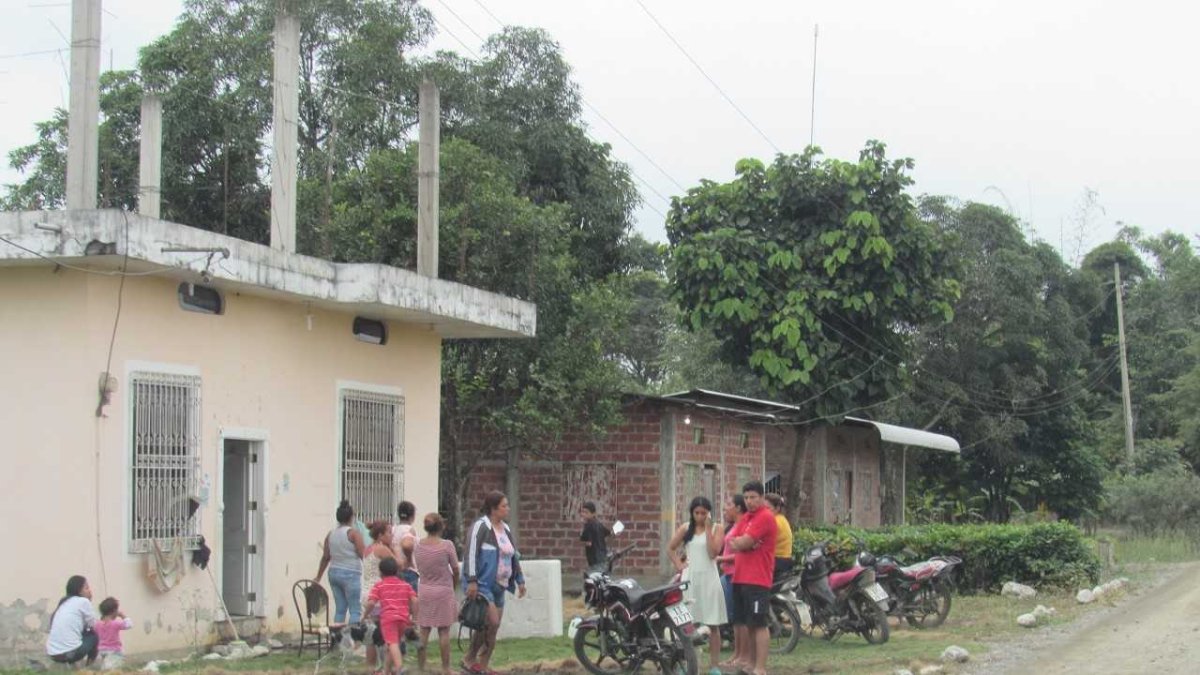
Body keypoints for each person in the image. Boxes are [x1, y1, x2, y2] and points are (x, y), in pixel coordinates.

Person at [463, 491, 526, 675]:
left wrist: (520, 580)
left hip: (501, 584)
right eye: (504, 506)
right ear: (493, 508)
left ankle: (483, 664)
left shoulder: (505, 529)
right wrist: (472, 580)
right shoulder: (481, 527)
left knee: (493, 627)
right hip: (483, 583)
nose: (508, 509)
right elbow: (470, 554)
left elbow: (514, 556)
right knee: (491, 620)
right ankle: (469, 658)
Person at [668, 497, 727, 675]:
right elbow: (670, 548)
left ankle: (714, 666)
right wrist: (679, 565)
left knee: (713, 624)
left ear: (709, 513)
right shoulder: (686, 528)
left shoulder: (717, 528)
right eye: (697, 513)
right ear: (692, 513)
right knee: (688, 624)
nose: (700, 516)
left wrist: (708, 529)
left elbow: (713, 553)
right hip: (690, 578)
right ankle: (688, 663)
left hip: (709, 578)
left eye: (703, 513)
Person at [729, 481, 778, 675]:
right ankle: (749, 663)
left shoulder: (765, 517)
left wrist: (745, 543)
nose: (749, 501)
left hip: (757, 579)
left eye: (753, 497)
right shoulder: (746, 517)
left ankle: (760, 667)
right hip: (740, 577)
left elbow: (744, 542)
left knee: (758, 623)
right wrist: (744, 543)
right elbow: (734, 541)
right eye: (747, 497)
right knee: (747, 623)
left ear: (762, 497)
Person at [413, 512, 460, 675]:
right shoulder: (447, 546)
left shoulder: (418, 545)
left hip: (425, 589)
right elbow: (455, 569)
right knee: (444, 631)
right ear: (441, 526)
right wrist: (453, 586)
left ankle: (420, 667)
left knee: (424, 630)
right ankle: (446, 668)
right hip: (443, 590)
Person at [361, 557, 418, 675]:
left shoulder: (379, 585)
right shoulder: (405, 585)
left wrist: (365, 615)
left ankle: (399, 667)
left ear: (380, 572)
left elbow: (371, 602)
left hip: (388, 620)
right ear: (397, 571)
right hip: (403, 619)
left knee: (392, 644)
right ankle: (386, 671)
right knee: (390, 646)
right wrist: (415, 618)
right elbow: (415, 600)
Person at [316, 500, 366, 626]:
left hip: (333, 573)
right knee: (355, 609)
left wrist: (318, 577)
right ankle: (354, 640)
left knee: (340, 608)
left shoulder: (330, 534)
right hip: (351, 574)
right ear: (351, 517)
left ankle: (337, 638)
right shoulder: (353, 534)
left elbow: (325, 557)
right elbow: (363, 554)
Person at [716, 494, 747, 669]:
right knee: (734, 618)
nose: (725, 508)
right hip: (728, 574)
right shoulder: (733, 526)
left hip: (736, 574)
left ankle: (742, 654)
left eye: (728, 504)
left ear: (738, 508)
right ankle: (737, 653)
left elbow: (741, 554)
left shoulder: (742, 526)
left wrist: (722, 559)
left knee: (738, 616)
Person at [362, 521, 396, 673]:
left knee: (371, 633)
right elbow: (398, 564)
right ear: (381, 535)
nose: (392, 535)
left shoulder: (368, 549)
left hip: (366, 593)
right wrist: (393, 548)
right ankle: (385, 667)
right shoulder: (382, 549)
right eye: (389, 532)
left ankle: (372, 668)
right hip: (380, 594)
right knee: (385, 633)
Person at [45, 575, 98, 666]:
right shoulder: (83, 602)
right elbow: (93, 625)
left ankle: (73, 667)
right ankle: (89, 667)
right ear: (79, 591)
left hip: (52, 653)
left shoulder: (63, 602)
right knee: (94, 636)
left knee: (78, 634)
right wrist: (89, 600)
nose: (90, 590)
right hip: (71, 653)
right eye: (87, 588)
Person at [94, 596, 133, 667]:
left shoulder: (97, 624)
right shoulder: (115, 623)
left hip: (101, 650)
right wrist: (122, 616)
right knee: (115, 667)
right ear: (114, 611)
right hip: (114, 651)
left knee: (106, 668)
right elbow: (129, 625)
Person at [392, 501, 419, 591]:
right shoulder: (409, 530)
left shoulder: (393, 529)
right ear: (412, 516)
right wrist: (409, 560)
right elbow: (407, 545)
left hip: (395, 570)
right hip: (408, 571)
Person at [765, 493, 794, 578]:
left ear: (777, 508)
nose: (764, 511)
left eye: (767, 508)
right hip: (784, 560)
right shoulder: (782, 519)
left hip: (777, 562)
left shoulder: (774, 521)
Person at [579, 501, 610, 572]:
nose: (583, 514)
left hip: (594, 557)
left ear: (593, 514)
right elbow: (609, 533)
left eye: (586, 512)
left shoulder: (588, 526)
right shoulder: (599, 524)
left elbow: (588, 542)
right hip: (603, 555)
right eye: (582, 512)